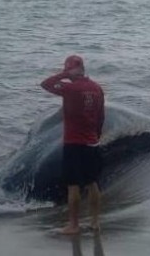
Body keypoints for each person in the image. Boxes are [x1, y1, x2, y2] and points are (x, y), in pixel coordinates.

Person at [41, 55, 105, 234]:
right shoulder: (97, 88)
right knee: (93, 183)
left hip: (74, 143)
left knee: (73, 185)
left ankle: (74, 225)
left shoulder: (70, 88)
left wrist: (62, 75)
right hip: (92, 142)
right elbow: (101, 117)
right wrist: (96, 136)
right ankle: (95, 222)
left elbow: (45, 84)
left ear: (69, 69)